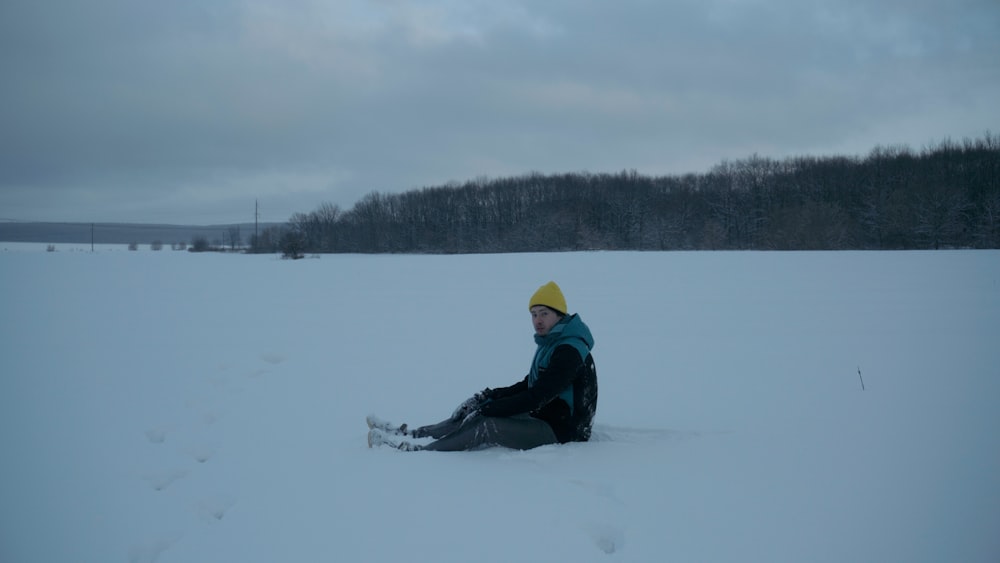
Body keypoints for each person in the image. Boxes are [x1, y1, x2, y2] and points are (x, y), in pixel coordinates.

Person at [367, 281, 598, 451]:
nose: (537, 320)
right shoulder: (552, 342)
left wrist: (489, 409)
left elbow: (537, 396)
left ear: (559, 315)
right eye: (534, 314)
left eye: (544, 314)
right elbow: (529, 384)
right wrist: (487, 397)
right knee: (474, 408)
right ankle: (413, 433)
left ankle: (422, 451)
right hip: (544, 416)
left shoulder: (569, 350)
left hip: (564, 432)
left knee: (487, 424)